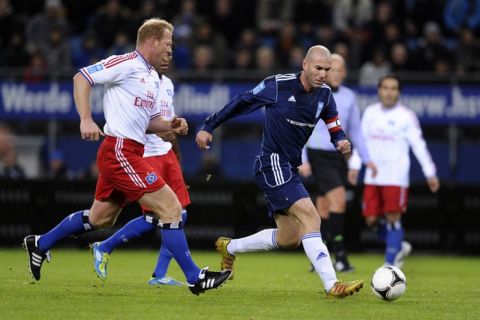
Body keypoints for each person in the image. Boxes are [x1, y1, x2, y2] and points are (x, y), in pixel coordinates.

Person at [23, 18, 231, 296]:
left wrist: (169, 125)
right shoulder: (126, 63)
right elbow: (81, 77)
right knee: (171, 208)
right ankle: (195, 277)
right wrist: (85, 119)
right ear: (153, 41)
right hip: (120, 150)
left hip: (128, 151)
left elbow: (149, 122)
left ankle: (40, 243)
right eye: (168, 45)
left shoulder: (153, 79)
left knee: (101, 218)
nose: (171, 51)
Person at [196, 45, 364, 298]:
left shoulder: (326, 95)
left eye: (327, 70)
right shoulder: (277, 85)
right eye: (318, 68)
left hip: (289, 167)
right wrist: (209, 125)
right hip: (271, 162)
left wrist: (340, 140)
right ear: (304, 65)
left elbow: (334, 125)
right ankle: (332, 285)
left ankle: (230, 247)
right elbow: (242, 102)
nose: (323, 74)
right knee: (312, 217)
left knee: (290, 238)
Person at [90, 53, 191, 286]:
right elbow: (138, 121)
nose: (168, 56)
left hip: (166, 152)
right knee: (156, 215)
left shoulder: (166, 84)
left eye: (170, 52)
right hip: (146, 154)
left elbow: (165, 120)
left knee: (179, 213)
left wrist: (173, 140)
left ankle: (160, 275)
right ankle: (106, 246)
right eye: (165, 50)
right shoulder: (136, 78)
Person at [349, 74, 440, 269]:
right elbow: (361, 142)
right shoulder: (371, 113)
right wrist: (355, 166)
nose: (389, 92)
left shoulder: (406, 116)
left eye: (393, 89)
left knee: (392, 216)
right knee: (371, 220)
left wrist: (430, 172)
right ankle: (398, 245)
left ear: (398, 93)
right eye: (385, 88)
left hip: (395, 176)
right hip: (373, 176)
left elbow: (419, 145)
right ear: (379, 91)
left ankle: (390, 264)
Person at [299, 54, 377, 272]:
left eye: (340, 69)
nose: (336, 73)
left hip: (338, 157)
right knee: (339, 200)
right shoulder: (313, 94)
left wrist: (363, 161)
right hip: (318, 154)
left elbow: (356, 132)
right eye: (332, 69)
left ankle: (317, 257)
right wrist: (302, 159)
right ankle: (341, 256)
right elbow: (301, 128)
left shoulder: (350, 97)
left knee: (323, 208)